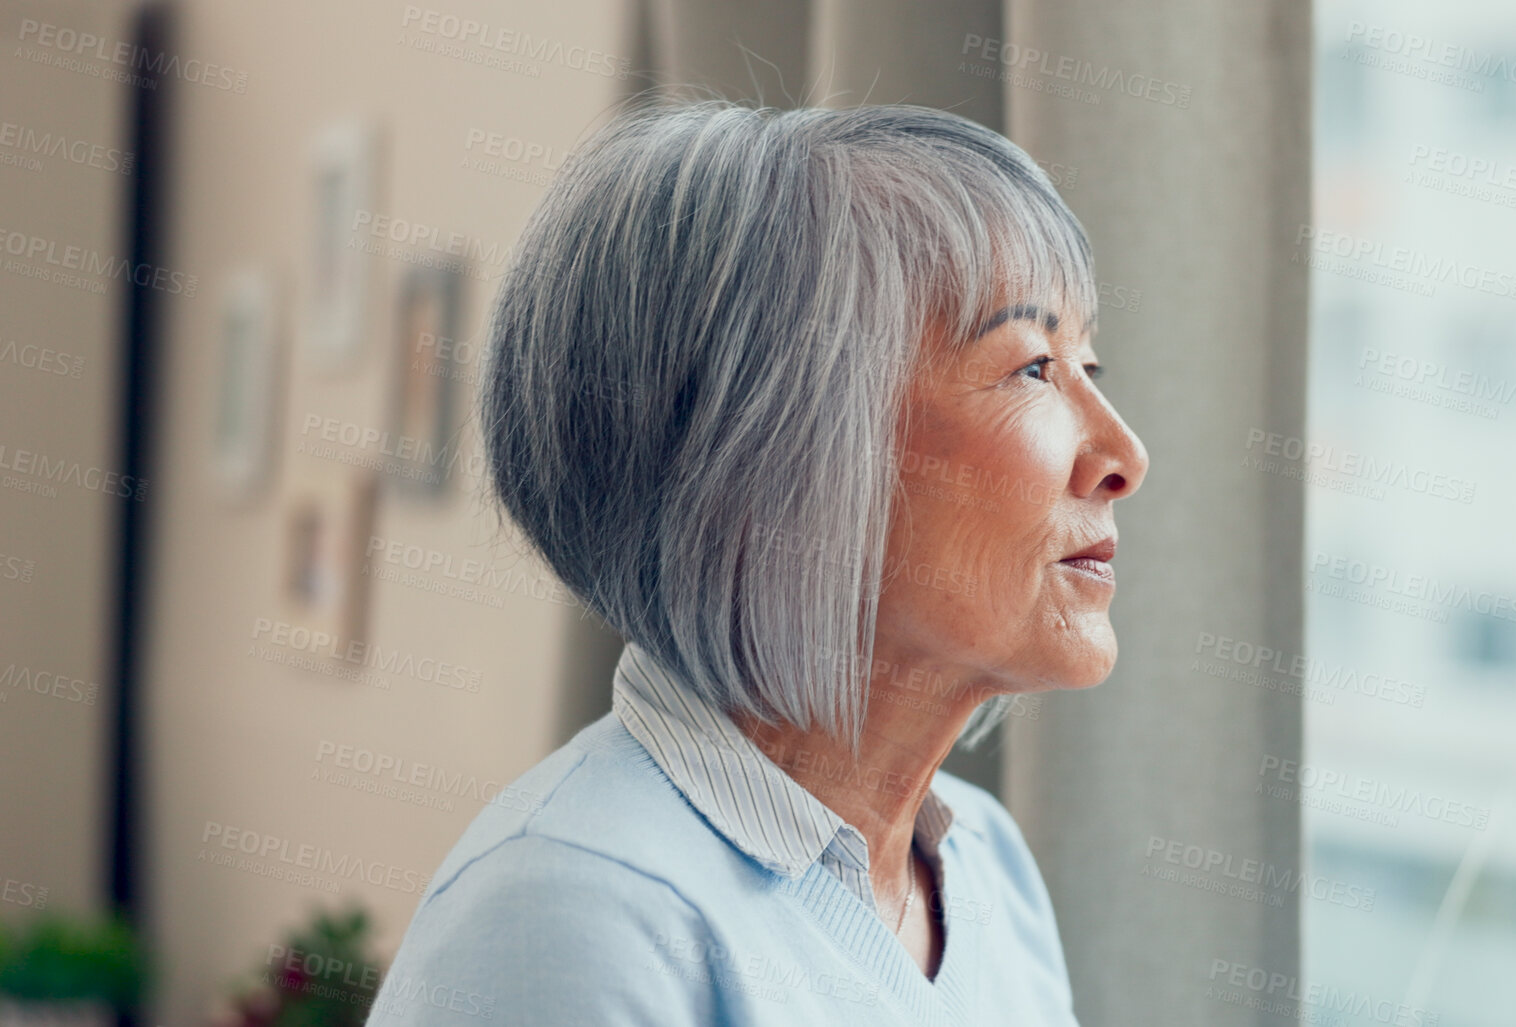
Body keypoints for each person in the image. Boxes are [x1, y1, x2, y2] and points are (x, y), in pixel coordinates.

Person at [366, 97, 1148, 1025]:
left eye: (1086, 368)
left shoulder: (990, 865)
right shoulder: (570, 913)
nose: (1123, 457)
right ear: (770, 459)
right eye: (1031, 369)